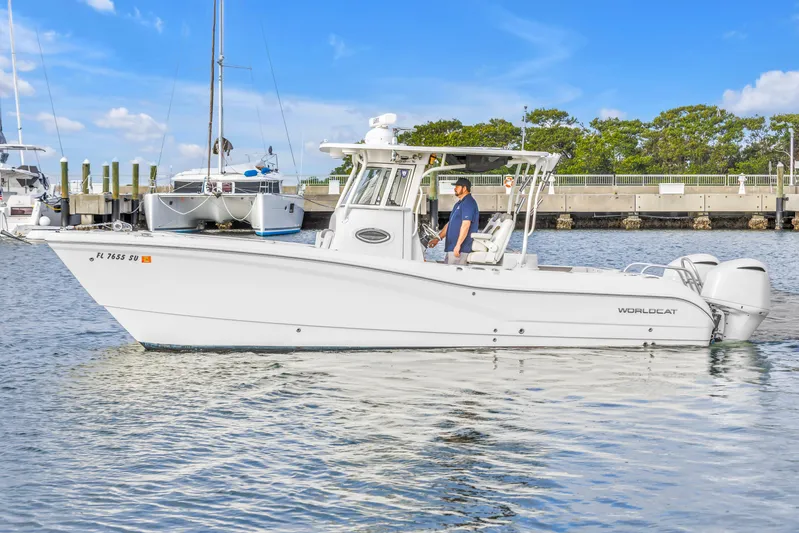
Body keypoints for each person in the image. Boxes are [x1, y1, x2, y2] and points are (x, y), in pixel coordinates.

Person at [428, 177, 479, 264]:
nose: (454, 189)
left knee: (454, 275)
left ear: (464, 188)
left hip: (460, 249)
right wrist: (438, 238)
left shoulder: (468, 203)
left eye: (457, 187)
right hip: (452, 247)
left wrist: (458, 245)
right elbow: (450, 224)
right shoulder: (459, 203)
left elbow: (466, 225)